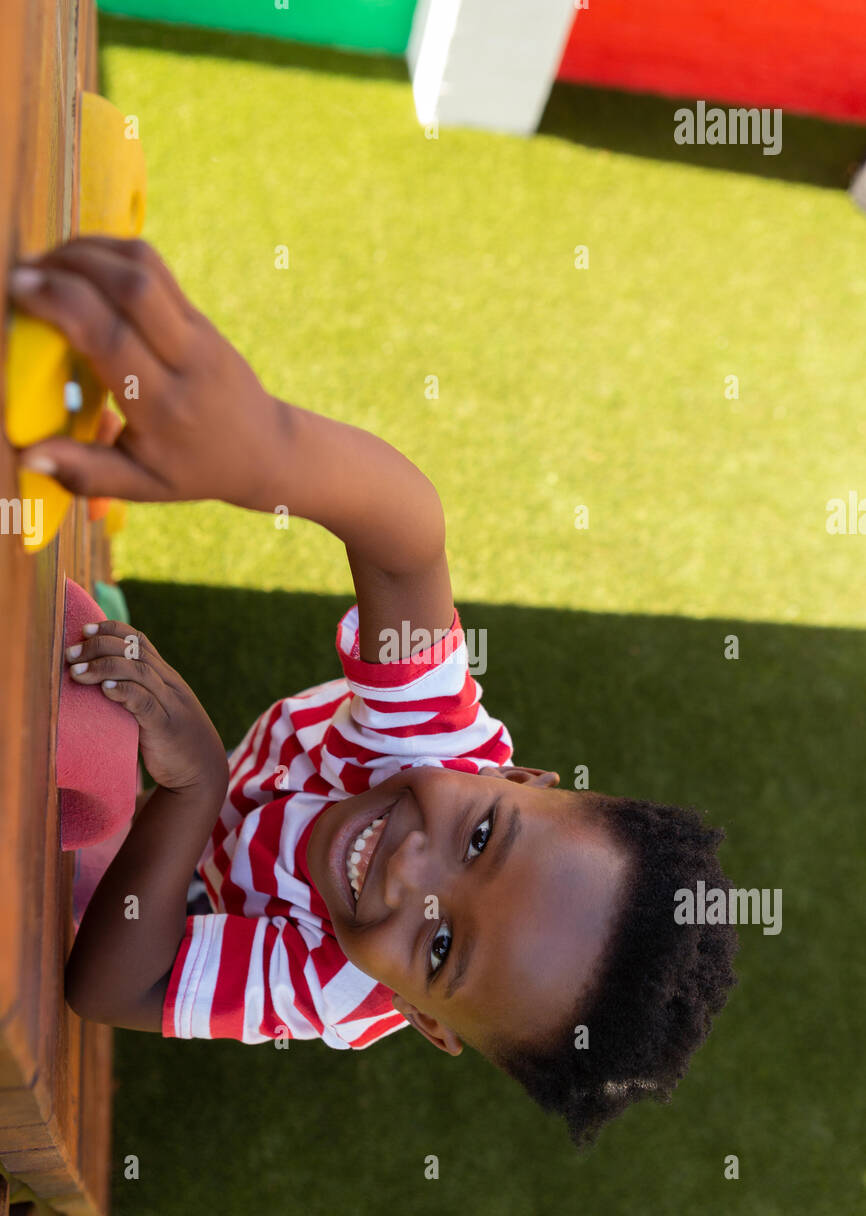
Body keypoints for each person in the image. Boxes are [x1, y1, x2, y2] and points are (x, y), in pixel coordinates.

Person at [9, 238, 739, 1151]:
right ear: (517, 778)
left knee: (59, 811)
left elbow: (113, 985)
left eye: (439, 951)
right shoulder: (432, 741)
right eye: (480, 836)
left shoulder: (336, 984)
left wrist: (194, 786)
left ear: (425, 1019)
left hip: (177, 896)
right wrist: (261, 449)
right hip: (228, 796)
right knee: (92, 677)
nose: (409, 874)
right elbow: (404, 537)